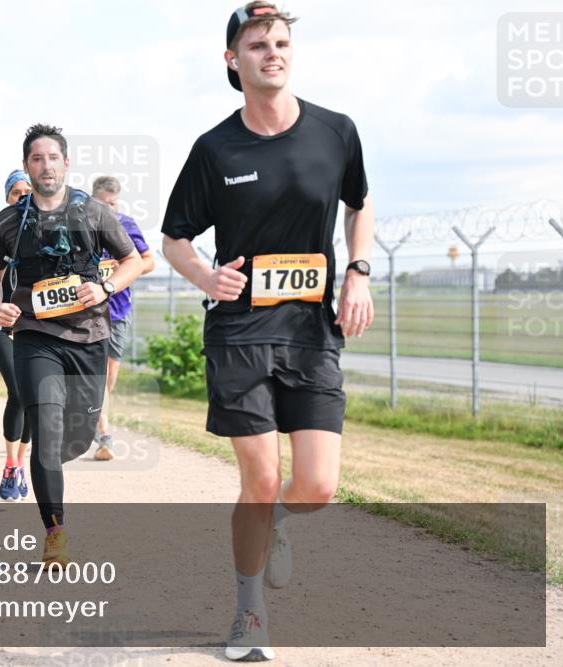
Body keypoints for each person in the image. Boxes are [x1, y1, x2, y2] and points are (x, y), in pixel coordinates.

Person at [160, 3, 374, 661]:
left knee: (314, 487)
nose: (272, 52)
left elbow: (358, 203)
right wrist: (205, 275)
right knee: (260, 476)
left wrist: (358, 272)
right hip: (241, 333)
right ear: (233, 60)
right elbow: (174, 239)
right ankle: (249, 613)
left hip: (312, 329)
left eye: (280, 42)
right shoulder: (215, 149)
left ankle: (274, 523)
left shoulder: (336, 131)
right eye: (257, 44)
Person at [0, 124, 142, 567]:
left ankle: (65, 452)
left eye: (53, 157)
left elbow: (133, 261)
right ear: (28, 166)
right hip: (35, 336)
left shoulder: (94, 213)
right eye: (36, 158)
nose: (45, 165)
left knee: (77, 437)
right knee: (46, 429)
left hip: (88, 336)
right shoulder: (9, 221)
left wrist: (106, 287)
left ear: (66, 163)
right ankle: (55, 531)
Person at [89, 175, 155, 461]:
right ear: (93, 201)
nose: (109, 210)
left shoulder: (126, 225)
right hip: (86, 311)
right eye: (104, 205)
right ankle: (105, 436)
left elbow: (149, 261)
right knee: (96, 375)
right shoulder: (80, 225)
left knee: (109, 377)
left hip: (117, 310)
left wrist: (126, 267)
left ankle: (94, 417)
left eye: (113, 204)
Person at [0, 169, 34, 501]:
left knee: (34, 400)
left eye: (28, 191)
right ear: (7, 198)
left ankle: (22, 465)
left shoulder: (49, 231)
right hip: (3, 328)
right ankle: (9, 465)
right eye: (17, 192)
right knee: (17, 392)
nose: (24, 196)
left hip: (36, 329)